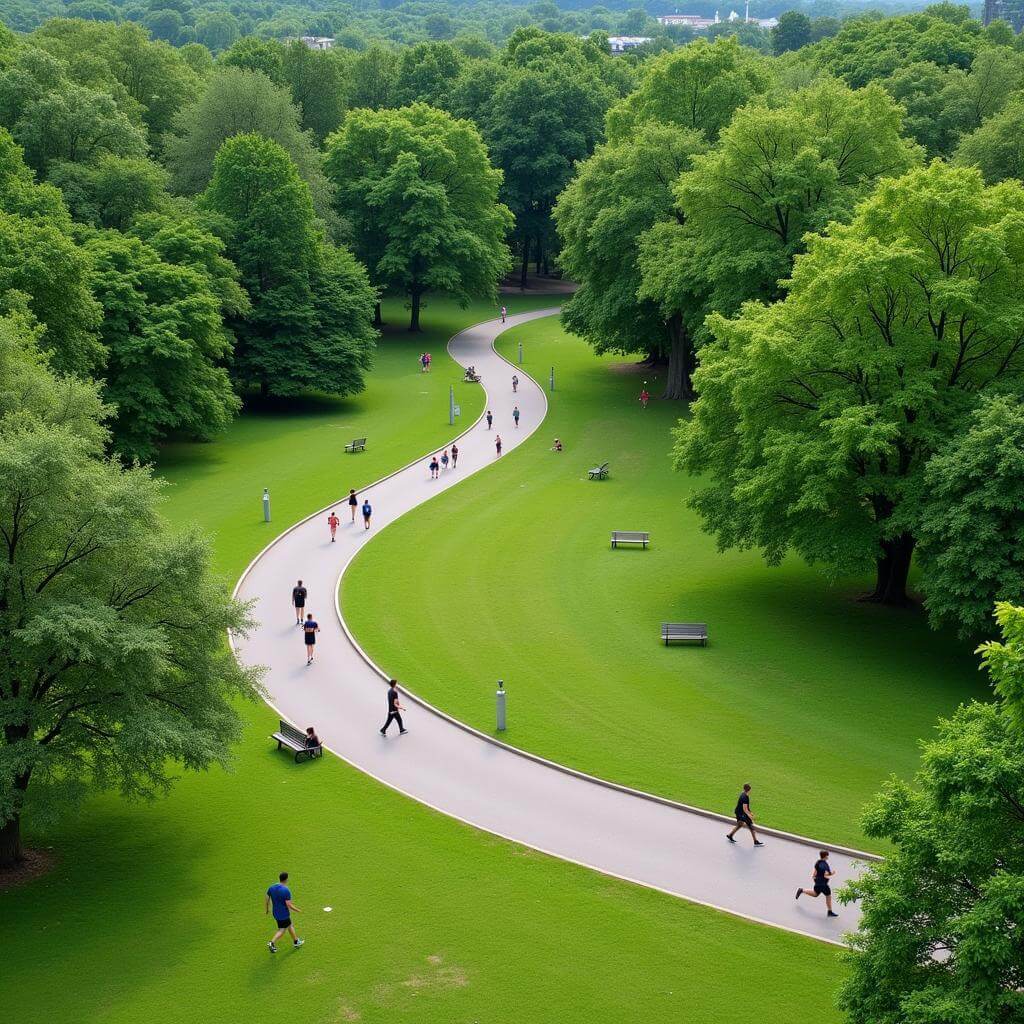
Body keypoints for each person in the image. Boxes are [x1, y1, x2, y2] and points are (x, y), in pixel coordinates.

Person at [266, 871, 303, 953]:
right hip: (283, 914)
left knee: (289, 925)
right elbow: (288, 905)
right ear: (286, 879)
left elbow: (267, 897)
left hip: (275, 913)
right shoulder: (286, 890)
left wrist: (267, 908)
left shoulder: (271, 887)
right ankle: (272, 942)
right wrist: (297, 910)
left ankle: (296, 941)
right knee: (282, 930)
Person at [796, 851, 839, 917]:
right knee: (828, 896)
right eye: (827, 855)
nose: (828, 857)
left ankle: (802, 890)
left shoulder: (817, 863)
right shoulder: (825, 864)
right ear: (825, 856)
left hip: (818, 883)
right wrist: (832, 873)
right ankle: (830, 911)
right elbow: (828, 873)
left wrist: (816, 879)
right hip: (823, 884)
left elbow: (814, 874)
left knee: (815, 894)